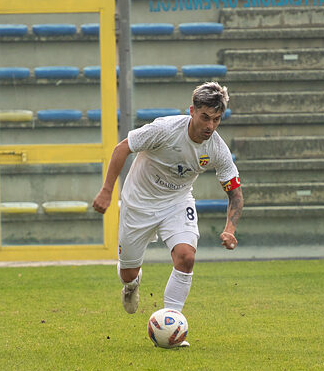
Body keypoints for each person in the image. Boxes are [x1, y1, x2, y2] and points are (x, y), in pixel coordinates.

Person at [92, 81, 244, 343]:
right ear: (192, 111)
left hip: (177, 202)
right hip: (138, 203)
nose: (210, 126)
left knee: (186, 257)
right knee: (128, 273)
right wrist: (107, 191)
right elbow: (121, 149)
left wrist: (230, 229)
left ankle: (172, 326)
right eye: (205, 117)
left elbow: (235, 193)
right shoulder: (164, 129)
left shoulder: (217, 149)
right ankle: (131, 285)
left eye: (216, 119)